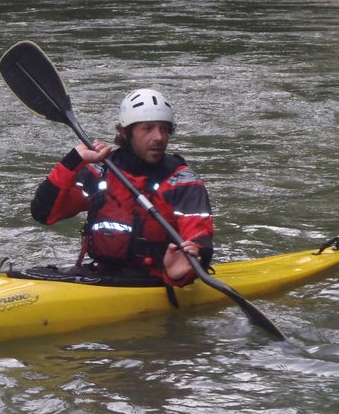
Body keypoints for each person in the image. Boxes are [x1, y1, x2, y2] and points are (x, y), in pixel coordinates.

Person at [30, 88, 214, 287]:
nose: (159, 137)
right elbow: (44, 213)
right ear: (125, 132)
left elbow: (200, 241)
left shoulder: (183, 181)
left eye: (164, 128)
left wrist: (180, 272)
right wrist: (73, 160)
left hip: (156, 279)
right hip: (99, 273)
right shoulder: (100, 171)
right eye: (148, 128)